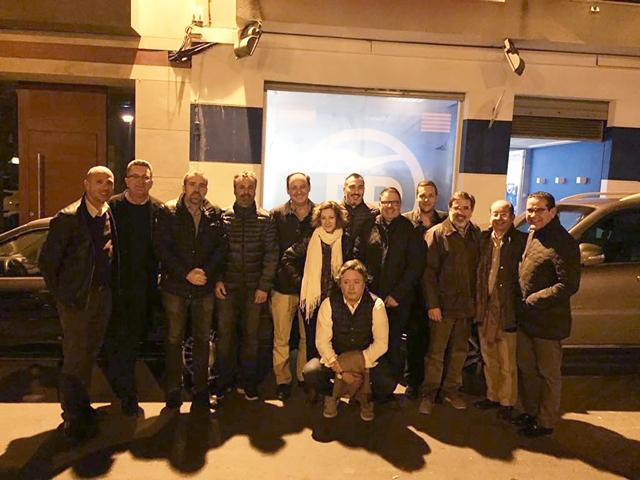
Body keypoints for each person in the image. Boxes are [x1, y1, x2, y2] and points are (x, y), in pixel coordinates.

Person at [39, 166, 118, 443]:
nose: (105, 187)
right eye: (99, 182)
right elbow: (47, 263)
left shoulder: (108, 213)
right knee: (75, 359)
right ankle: (72, 418)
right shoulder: (69, 217)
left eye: (109, 182)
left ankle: (83, 408)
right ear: (86, 184)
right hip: (78, 300)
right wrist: (65, 296)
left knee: (89, 355)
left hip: (102, 297)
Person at [155, 170, 226, 412]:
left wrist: (205, 272)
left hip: (203, 287)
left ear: (207, 188)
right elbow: (162, 249)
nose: (197, 189)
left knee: (202, 341)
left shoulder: (214, 212)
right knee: (173, 340)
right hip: (175, 287)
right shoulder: (168, 211)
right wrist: (186, 273)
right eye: (192, 184)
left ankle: (200, 391)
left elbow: (221, 248)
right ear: (184, 186)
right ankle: (173, 391)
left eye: (202, 185)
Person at [514, 191, 580, 437]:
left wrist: (533, 299)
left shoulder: (563, 243)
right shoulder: (534, 234)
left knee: (548, 374)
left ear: (552, 212)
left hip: (548, 321)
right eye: (530, 210)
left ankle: (545, 422)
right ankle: (531, 412)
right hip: (527, 318)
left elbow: (568, 284)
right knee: (527, 370)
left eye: (539, 210)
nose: (533, 215)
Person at [104, 159, 162, 417]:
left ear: (151, 181)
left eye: (144, 177)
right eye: (135, 176)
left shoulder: (159, 210)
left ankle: (130, 390)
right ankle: (127, 395)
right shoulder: (112, 207)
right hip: (116, 289)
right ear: (126, 180)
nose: (140, 181)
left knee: (139, 343)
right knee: (120, 345)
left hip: (148, 290)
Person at [302, 260, 394, 422]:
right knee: (311, 372)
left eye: (356, 282)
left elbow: (381, 344)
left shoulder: (376, 304)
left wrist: (356, 364)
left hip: (366, 360)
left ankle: (365, 398)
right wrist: (340, 371)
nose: (351, 287)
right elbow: (322, 342)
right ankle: (333, 395)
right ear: (340, 284)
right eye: (346, 282)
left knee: (387, 381)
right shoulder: (328, 304)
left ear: (364, 283)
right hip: (336, 358)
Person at [215, 171, 278, 401]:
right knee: (225, 338)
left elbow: (271, 254)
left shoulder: (265, 219)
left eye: (250, 187)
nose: (245, 192)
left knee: (252, 339)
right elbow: (216, 252)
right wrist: (217, 279)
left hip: (254, 291)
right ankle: (223, 384)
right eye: (241, 187)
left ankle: (248, 383)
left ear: (255, 189)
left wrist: (264, 287)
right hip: (227, 289)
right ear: (234, 190)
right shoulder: (223, 217)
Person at [357, 187, 425, 398]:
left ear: (400, 205)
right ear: (379, 204)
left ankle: (387, 391)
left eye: (394, 202)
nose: (390, 206)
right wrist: (364, 291)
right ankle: (365, 389)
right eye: (386, 202)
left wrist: (397, 295)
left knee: (393, 346)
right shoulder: (368, 226)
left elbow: (415, 267)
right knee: (368, 343)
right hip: (369, 299)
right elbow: (358, 258)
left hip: (397, 301)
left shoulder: (411, 229)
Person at [419, 191, 481, 414]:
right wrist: (432, 304)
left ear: (471, 211)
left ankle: (451, 391)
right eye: (457, 207)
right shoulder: (436, 234)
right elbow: (428, 274)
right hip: (442, 308)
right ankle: (429, 394)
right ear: (449, 208)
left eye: (466, 208)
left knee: (459, 352)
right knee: (435, 354)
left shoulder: (476, 234)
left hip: (465, 307)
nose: (461, 212)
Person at [280, 201, 352, 365]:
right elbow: (287, 258)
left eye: (331, 217)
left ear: (338, 218)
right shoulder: (311, 238)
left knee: (335, 344)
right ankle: (313, 379)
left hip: (337, 301)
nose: (327, 221)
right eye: (323, 218)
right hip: (313, 302)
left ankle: (333, 378)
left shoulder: (346, 240)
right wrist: (301, 283)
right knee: (312, 344)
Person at [474, 200, 526, 421]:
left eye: (504, 214)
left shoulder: (521, 241)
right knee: (489, 357)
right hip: (484, 308)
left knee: (507, 361)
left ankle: (507, 402)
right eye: (495, 214)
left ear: (512, 217)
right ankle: (492, 396)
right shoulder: (483, 239)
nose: (499, 218)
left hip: (507, 309)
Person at [270, 172, 315, 400]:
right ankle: (283, 381)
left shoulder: (319, 214)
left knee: (308, 337)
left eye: (302, 186)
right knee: (281, 338)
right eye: (294, 187)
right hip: (283, 287)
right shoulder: (277, 214)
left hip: (311, 290)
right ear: (288, 190)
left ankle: (304, 377)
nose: (298, 191)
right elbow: (272, 251)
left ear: (309, 187)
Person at [402, 180, 446, 399]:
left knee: (437, 342)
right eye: (422, 195)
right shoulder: (406, 221)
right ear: (416, 197)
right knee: (415, 339)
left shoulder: (446, 220)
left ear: (436, 197)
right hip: (414, 291)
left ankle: (435, 385)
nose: (426, 199)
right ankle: (413, 382)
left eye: (430, 195)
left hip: (439, 291)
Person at [339, 173, 379, 253]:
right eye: (352, 187)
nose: (356, 191)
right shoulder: (334, 210)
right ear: (344, 189)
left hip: (362, 260)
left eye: (360, 187)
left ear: (364, 189)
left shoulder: (373, 213)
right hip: (336, 260)